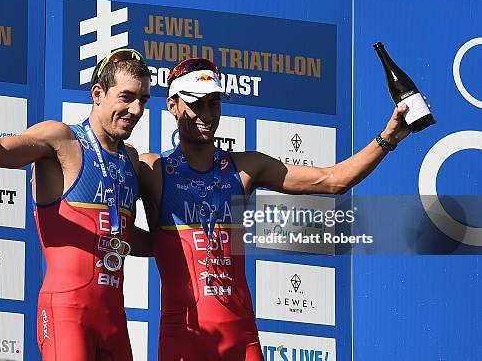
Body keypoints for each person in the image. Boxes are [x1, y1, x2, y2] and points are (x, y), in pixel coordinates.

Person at [138, 57, 414, 360]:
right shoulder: (152, 169)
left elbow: (333, 180)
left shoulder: (245, 168)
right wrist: (164, 246)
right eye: (196, 103)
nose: (206, 114)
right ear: (172, 105)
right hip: (184, 337)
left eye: (214, 104)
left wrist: (388, 138)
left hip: (242, 339)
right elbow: (103, 221)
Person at [0, 48, 152, 361]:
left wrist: (181, 242)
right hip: (67, 312)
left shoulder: (129, 158)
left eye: (143, 99)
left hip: (114, 318)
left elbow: (125, 236)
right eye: (127, 97)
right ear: (97, 93)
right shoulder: (61, 139)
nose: (136, 109)